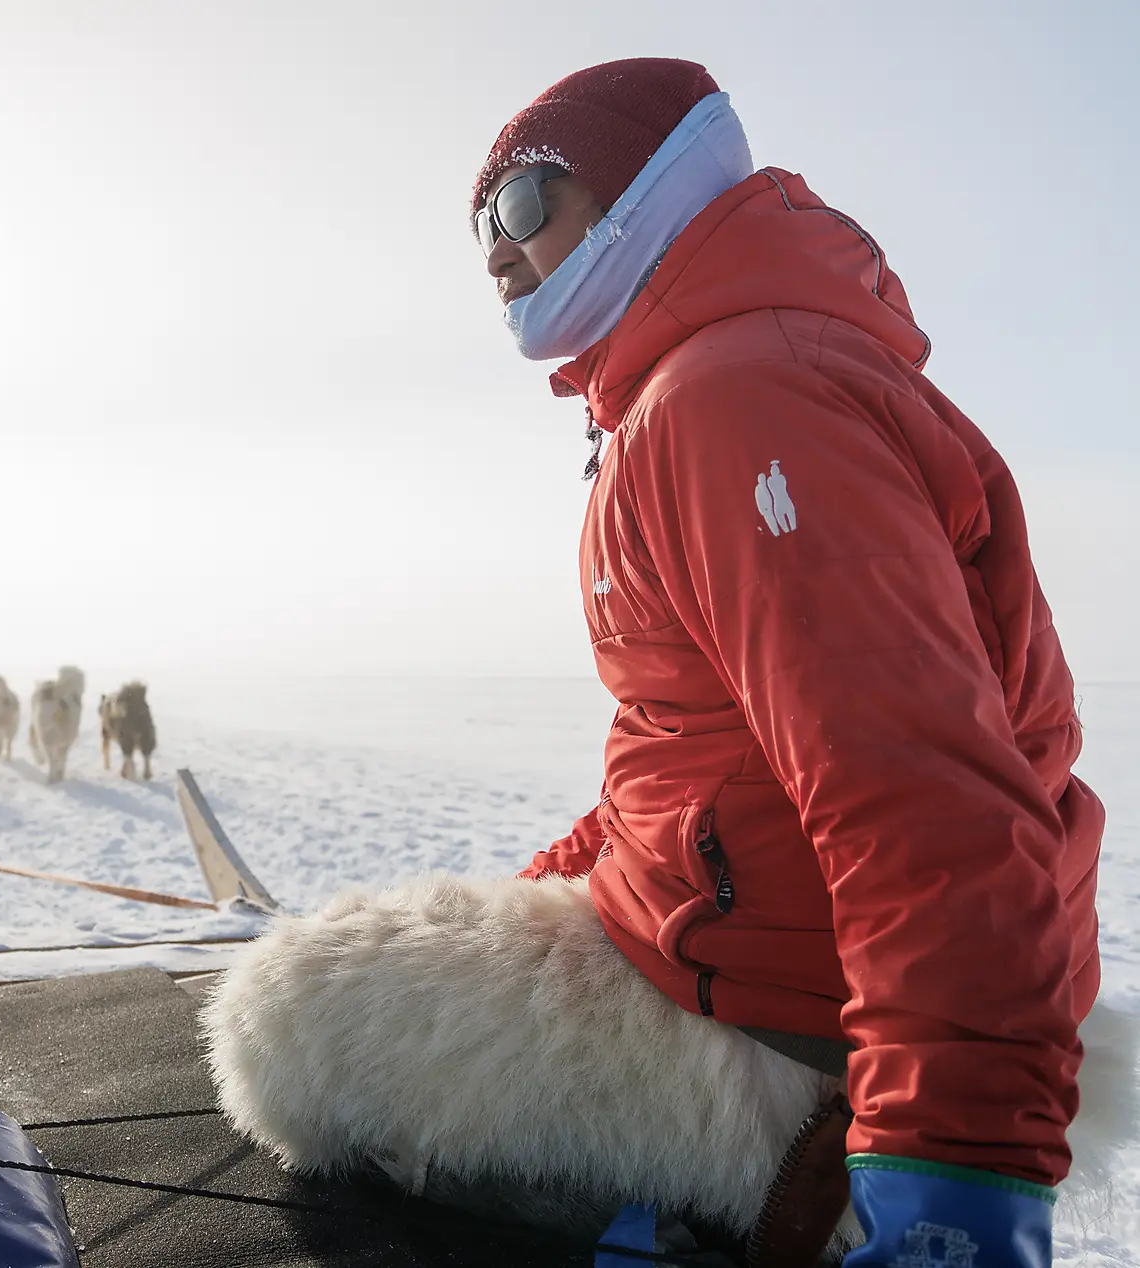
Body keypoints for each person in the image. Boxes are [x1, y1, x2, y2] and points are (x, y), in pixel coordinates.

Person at [477, 58, 1102, 1265]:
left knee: (325, 1032)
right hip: (745, 943)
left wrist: (951, 1199)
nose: (494, 254)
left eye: (518, 204)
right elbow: (687, 750)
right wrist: (539, 884)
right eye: (477, 231)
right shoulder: (674, 397)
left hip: (814, 1005)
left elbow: (921, 805)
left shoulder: (739, 397)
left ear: (641, 189)